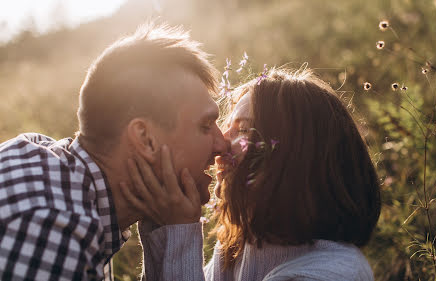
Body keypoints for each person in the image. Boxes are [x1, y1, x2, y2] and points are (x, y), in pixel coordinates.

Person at [0, 23, 226, 280]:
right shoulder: (52, 232)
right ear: (145, 139)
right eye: (206, 125)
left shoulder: (45, 165)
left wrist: (167, 233)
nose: (223, 145)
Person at [128, 68, 382, 281]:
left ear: (298, 152)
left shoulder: (331, 273)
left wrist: (179, 229)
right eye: (228, 128)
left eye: (245, 129)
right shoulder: (239, 247)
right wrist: (163, 222)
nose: (222, 144)